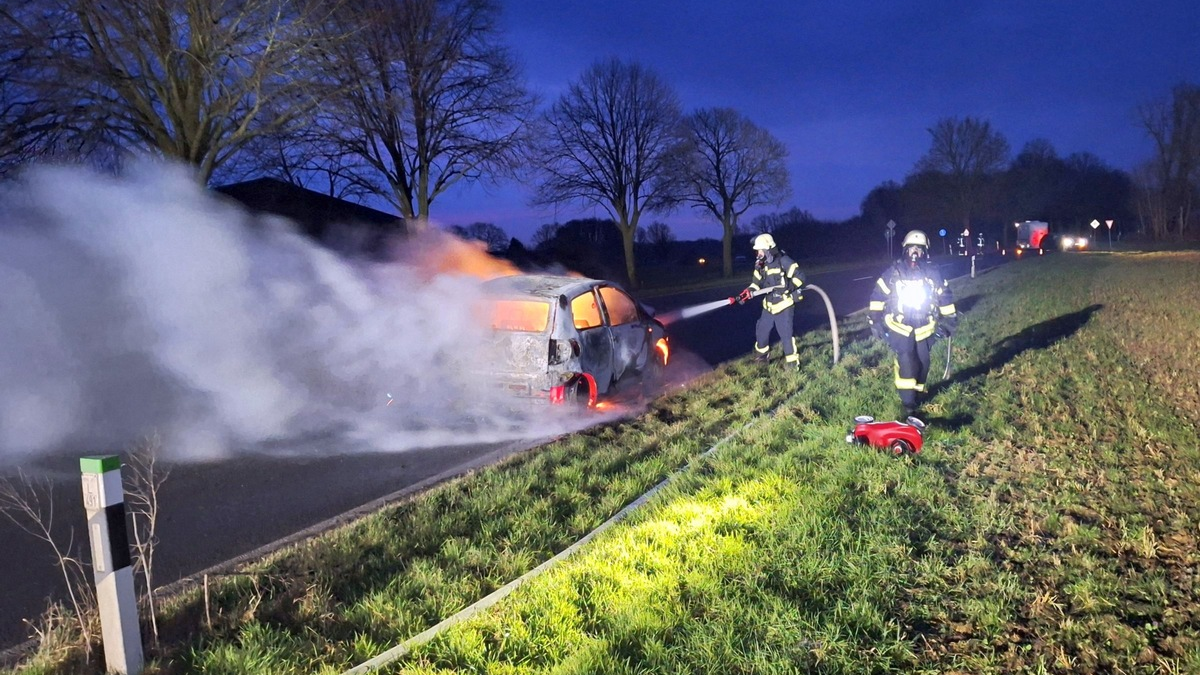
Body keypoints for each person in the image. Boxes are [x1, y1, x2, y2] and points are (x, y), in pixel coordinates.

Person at [867, 229, 957, 418]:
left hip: (925, 326)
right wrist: (875, 320)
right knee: (907, 360)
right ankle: (908, 404)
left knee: (924, 362)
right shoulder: (894, 273)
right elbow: (878, 294)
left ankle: (917, 393)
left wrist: (949, 321)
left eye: (919, 249)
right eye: (911, 249)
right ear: (905, 250)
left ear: (925, 251)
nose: (915, 253)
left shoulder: (933, 273)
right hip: (899, 326)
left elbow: (945, 296)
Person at [736, 233, 806, 370]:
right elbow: (755, 283)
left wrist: (790, 286)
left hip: (784, 305)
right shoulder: (760, 266)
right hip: (768, 306)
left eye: (760, 250)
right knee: (761, 332)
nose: (758, 253)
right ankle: (761, 359)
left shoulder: (784, 261)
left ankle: (792, 365)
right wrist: (748, 292)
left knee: (785, 336)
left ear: (768, 249)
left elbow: (801, 277)